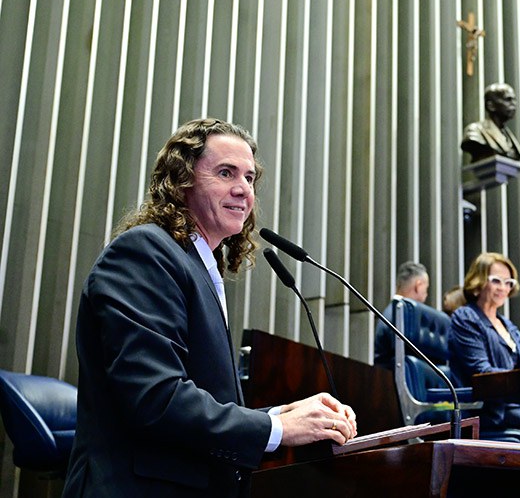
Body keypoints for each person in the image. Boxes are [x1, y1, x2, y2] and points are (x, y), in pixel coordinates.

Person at [64, 119, 357, 498]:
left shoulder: (199, 265)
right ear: (181, 182)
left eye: (250, 178)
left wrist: (281, 415)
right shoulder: (144, 253)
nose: (243, 190)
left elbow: (203, 399)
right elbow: (157, 398)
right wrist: (279, 431)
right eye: (226, 173)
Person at [447, 252, 520, 445]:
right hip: (488, 408)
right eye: (496, 281)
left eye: (509, 283)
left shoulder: (507, 325)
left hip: (514, 402)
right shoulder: (465, 317)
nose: (503, 288)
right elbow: (481, 371)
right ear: (478, 282)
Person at [374, 261, 432, 368]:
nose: (426, 294)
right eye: (426, 288)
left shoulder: (392, 311)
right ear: (418, 286)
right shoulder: (399, 315)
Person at [460, 83, 520, 162]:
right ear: (491, 106)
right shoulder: (474, 131)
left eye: (514, 100)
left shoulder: (510, 139)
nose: (513, 104)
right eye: (508, 99)